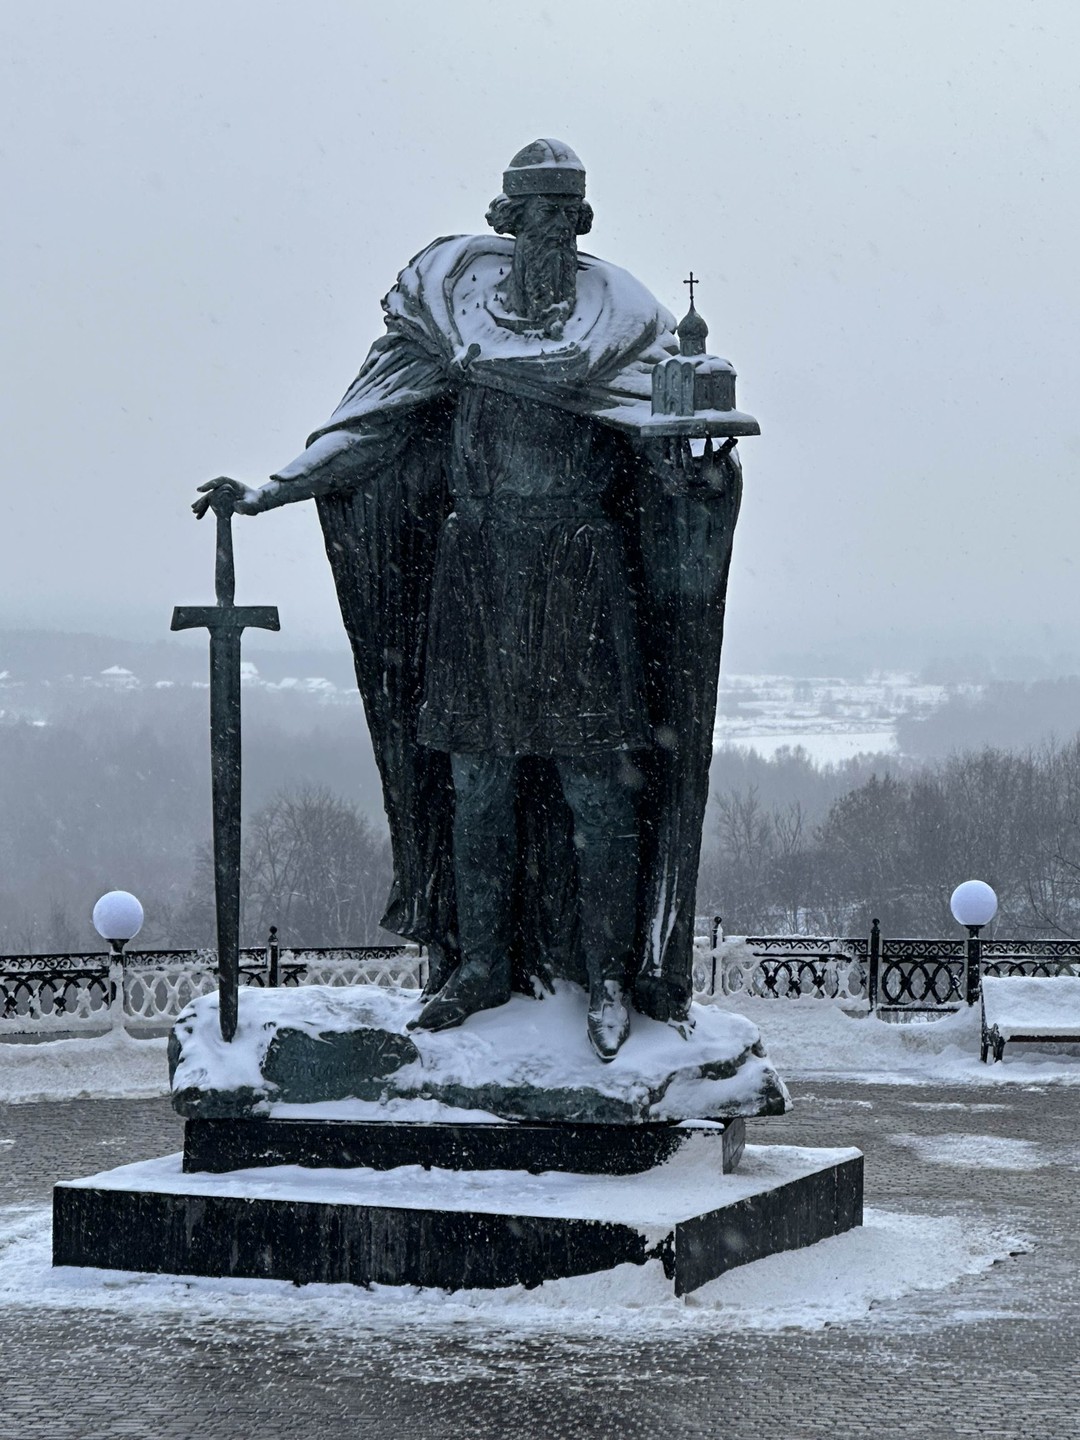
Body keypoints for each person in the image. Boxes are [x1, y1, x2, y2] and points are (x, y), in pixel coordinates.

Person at [197, 139, 743, 1060]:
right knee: (477, 785)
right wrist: (272, 488)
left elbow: (672, 450)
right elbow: (367, 432)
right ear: (507, 222)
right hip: (477, 574)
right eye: (537, 219)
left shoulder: (620, 334)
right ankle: (481, 963)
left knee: (597, 788)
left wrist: (701, 485)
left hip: (579, 573)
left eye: (567, 221)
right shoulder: (449, 324)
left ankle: (608, 975)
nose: (552, 238)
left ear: (582, 227)